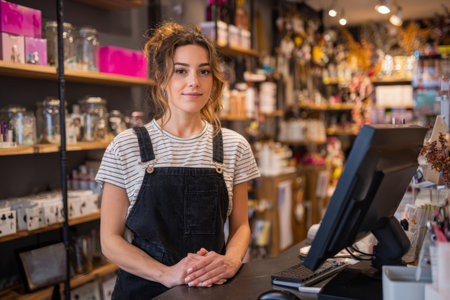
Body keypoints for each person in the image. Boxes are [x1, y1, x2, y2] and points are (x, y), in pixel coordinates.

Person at [96, 21, 260, 299]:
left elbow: (241, 226)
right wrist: (167, 274)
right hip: (143, 291)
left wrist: (231, 262)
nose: (194, 81)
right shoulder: (126, 146)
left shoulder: (234, 146)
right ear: (161, 78)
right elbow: (109, 240)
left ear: (213, 79)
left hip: (211, 289)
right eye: (181, 71)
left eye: (203, 71)